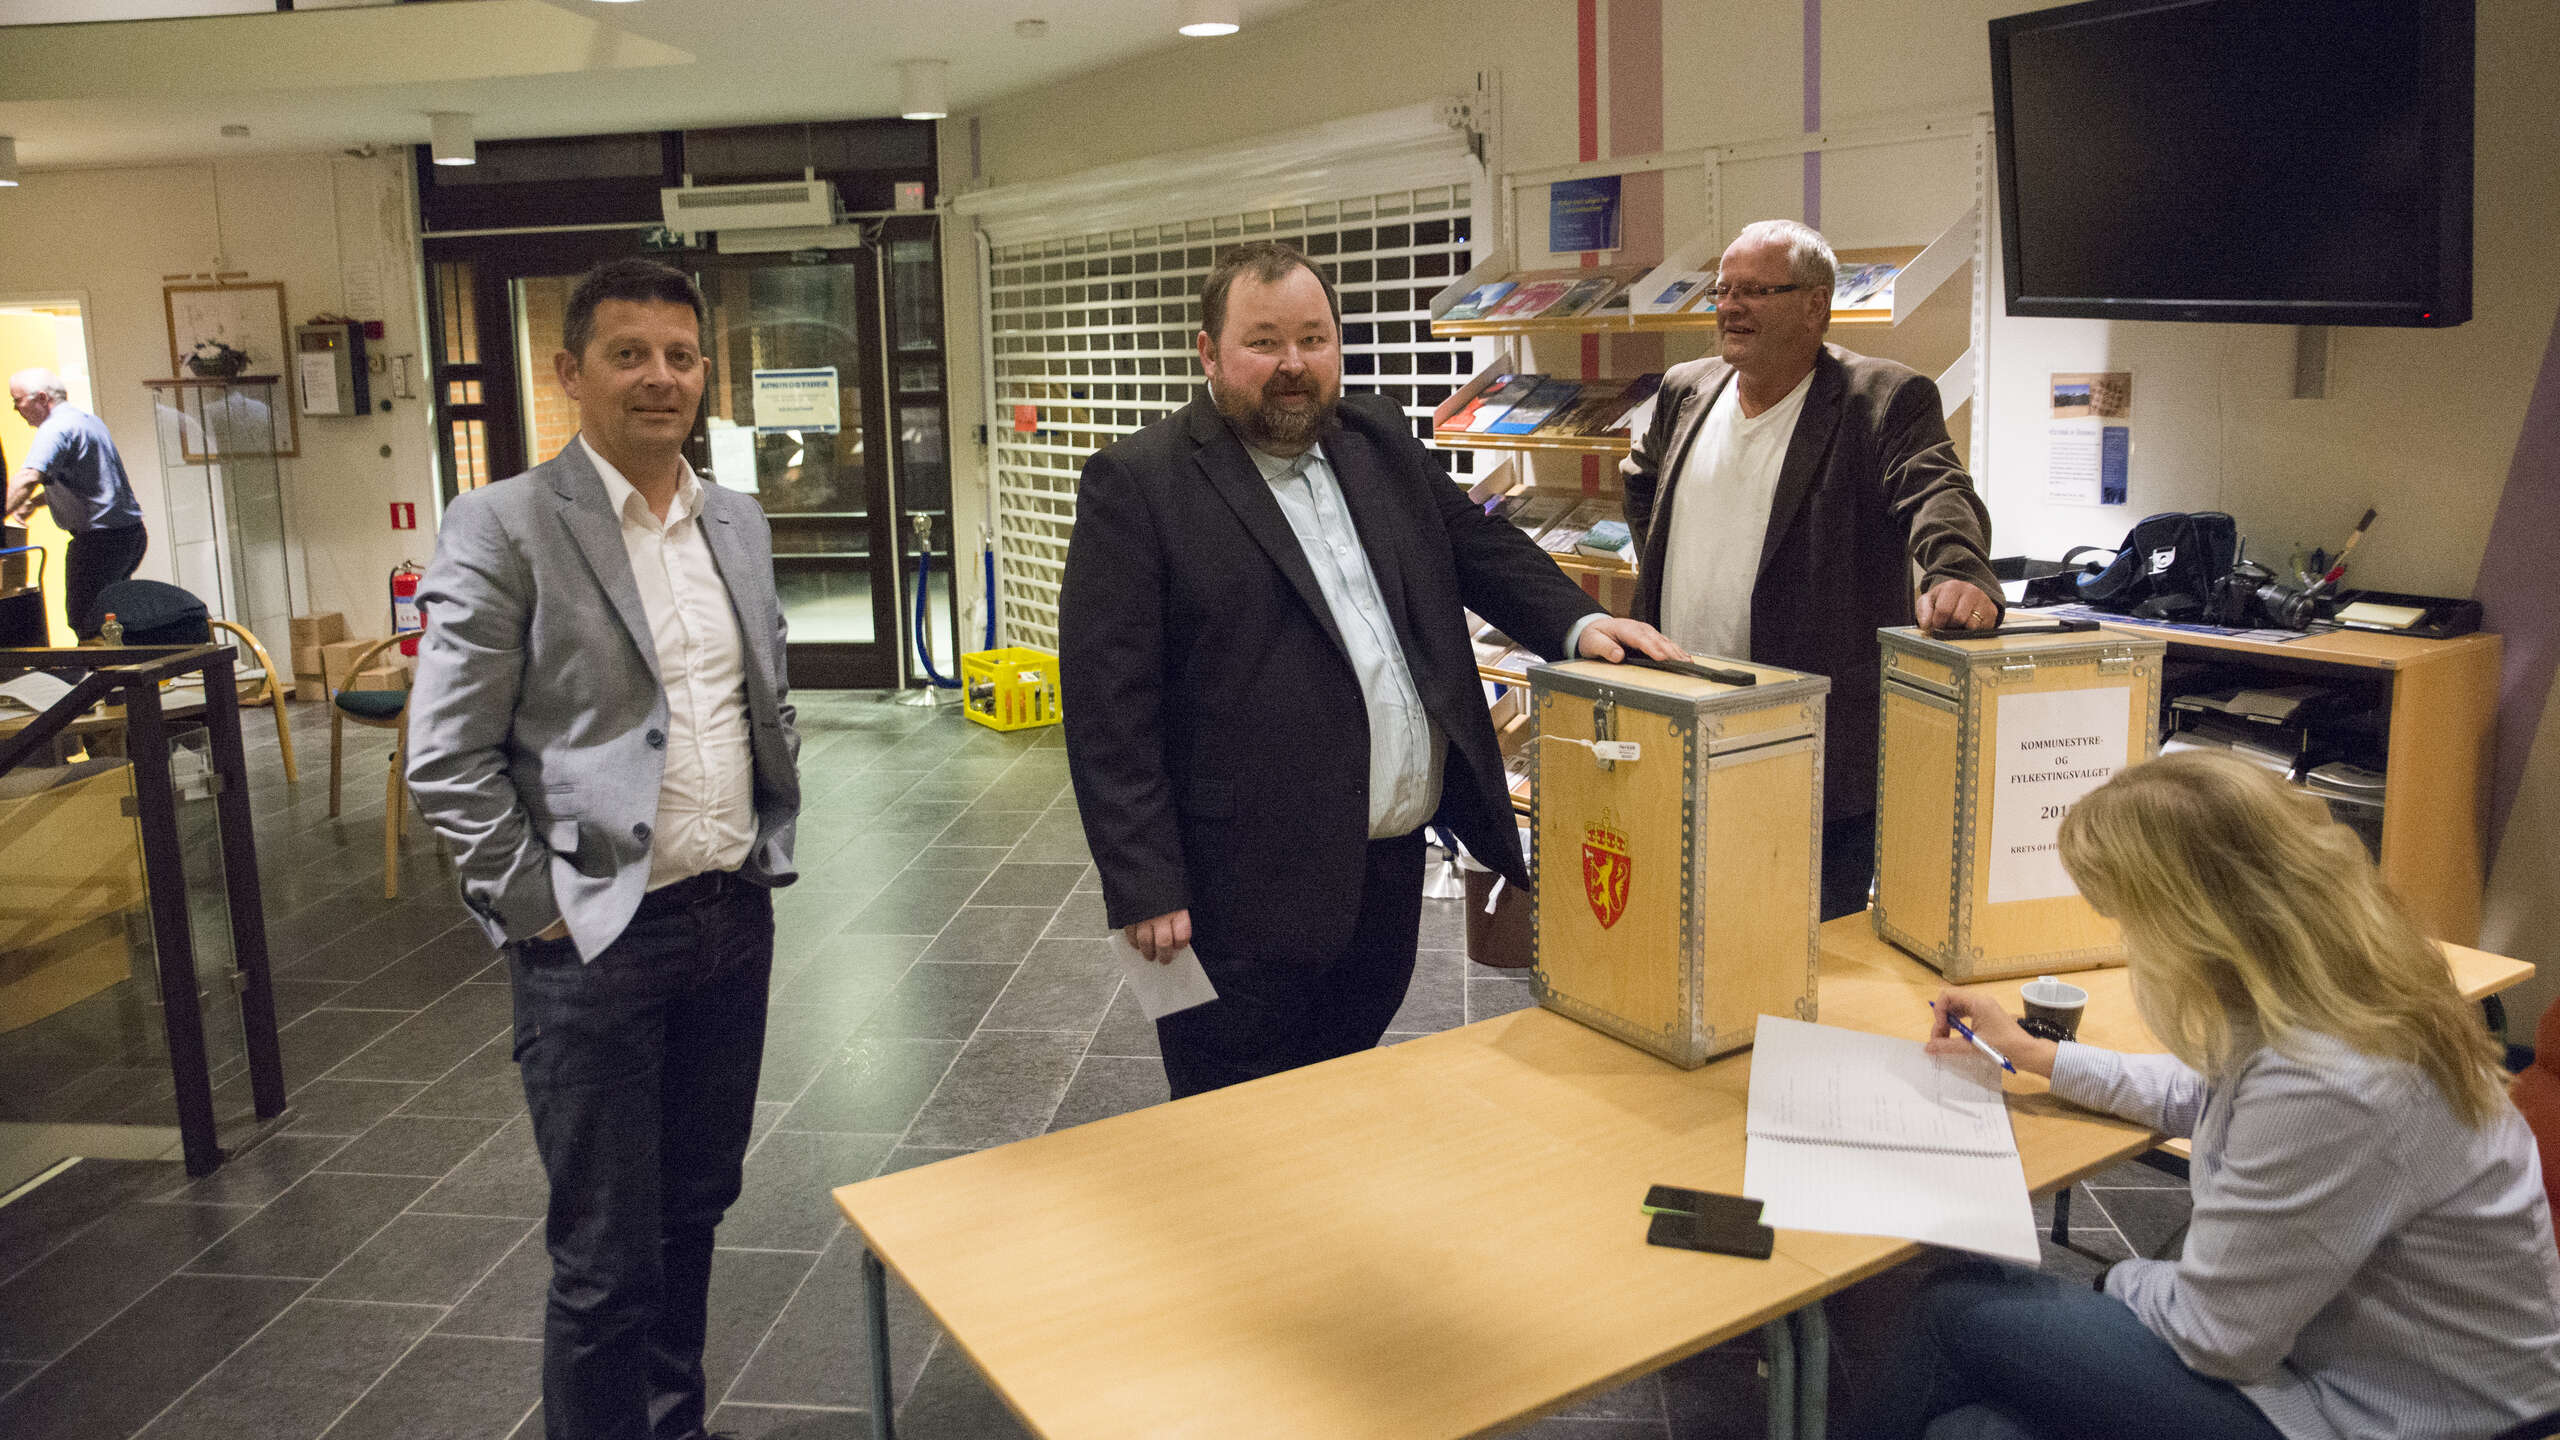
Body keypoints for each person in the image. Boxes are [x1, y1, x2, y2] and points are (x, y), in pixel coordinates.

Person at [1061, 240, 1683, 1099]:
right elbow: (1109, 710)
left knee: (1347, 1094)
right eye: (1264, 342)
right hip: (1237, 893)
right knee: (1234, 1123)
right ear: (1208, 352)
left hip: (1383, 872)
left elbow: (1478, 545)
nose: (1293, 364)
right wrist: (1143, 882)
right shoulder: (1139, 484)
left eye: (1313, 340)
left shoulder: (1376, 439)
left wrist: (1579, 623)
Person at [1867, 750, 2560, 1440]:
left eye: (2129, 922)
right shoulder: (2349, 992)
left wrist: (2119, 1282)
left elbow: (2215, 1335)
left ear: (2192, 926)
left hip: (2397, 1417)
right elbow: (2201, 1092)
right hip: (2348, 1367)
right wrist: (2037, 1054)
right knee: (1970, 1428)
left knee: (1951, 1311)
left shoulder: (2332, 1078)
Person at [405, 259, 801, 1440]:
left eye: (679, 356)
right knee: (605, 1257)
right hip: (594, 939)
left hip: (729, 917)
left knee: (695, 1213)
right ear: (570, 372)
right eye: (628, 355)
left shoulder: (735, 518)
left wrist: (768, 832)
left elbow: (758, 696)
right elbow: (448, 755)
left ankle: (671, 1425)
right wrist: (537, 907)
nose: (659, 377)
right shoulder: (506, 524)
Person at [1619, 220, 2002, 919]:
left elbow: (1936, 489)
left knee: (1806, 943)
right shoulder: (1686, 388)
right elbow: (1642, 481)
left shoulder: (1880, 397)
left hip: (1809, 743)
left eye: (1754, 291)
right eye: (1722, 290)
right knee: (1683, 929)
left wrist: (1958, 570)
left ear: (1814, 305)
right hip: (1679, 719)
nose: (1730, 307)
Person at [7, 367, 146, 639]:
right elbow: (88, 481)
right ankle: (123, 664)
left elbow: (28, 477)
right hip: (129, 536)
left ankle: (104, 667)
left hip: (99, 542)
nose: (16, 409)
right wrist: (35, 503)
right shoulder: (88, 421)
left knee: (86, 621)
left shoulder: (54, 428)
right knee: (111, 618)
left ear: (41, 398)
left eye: (17, 400)